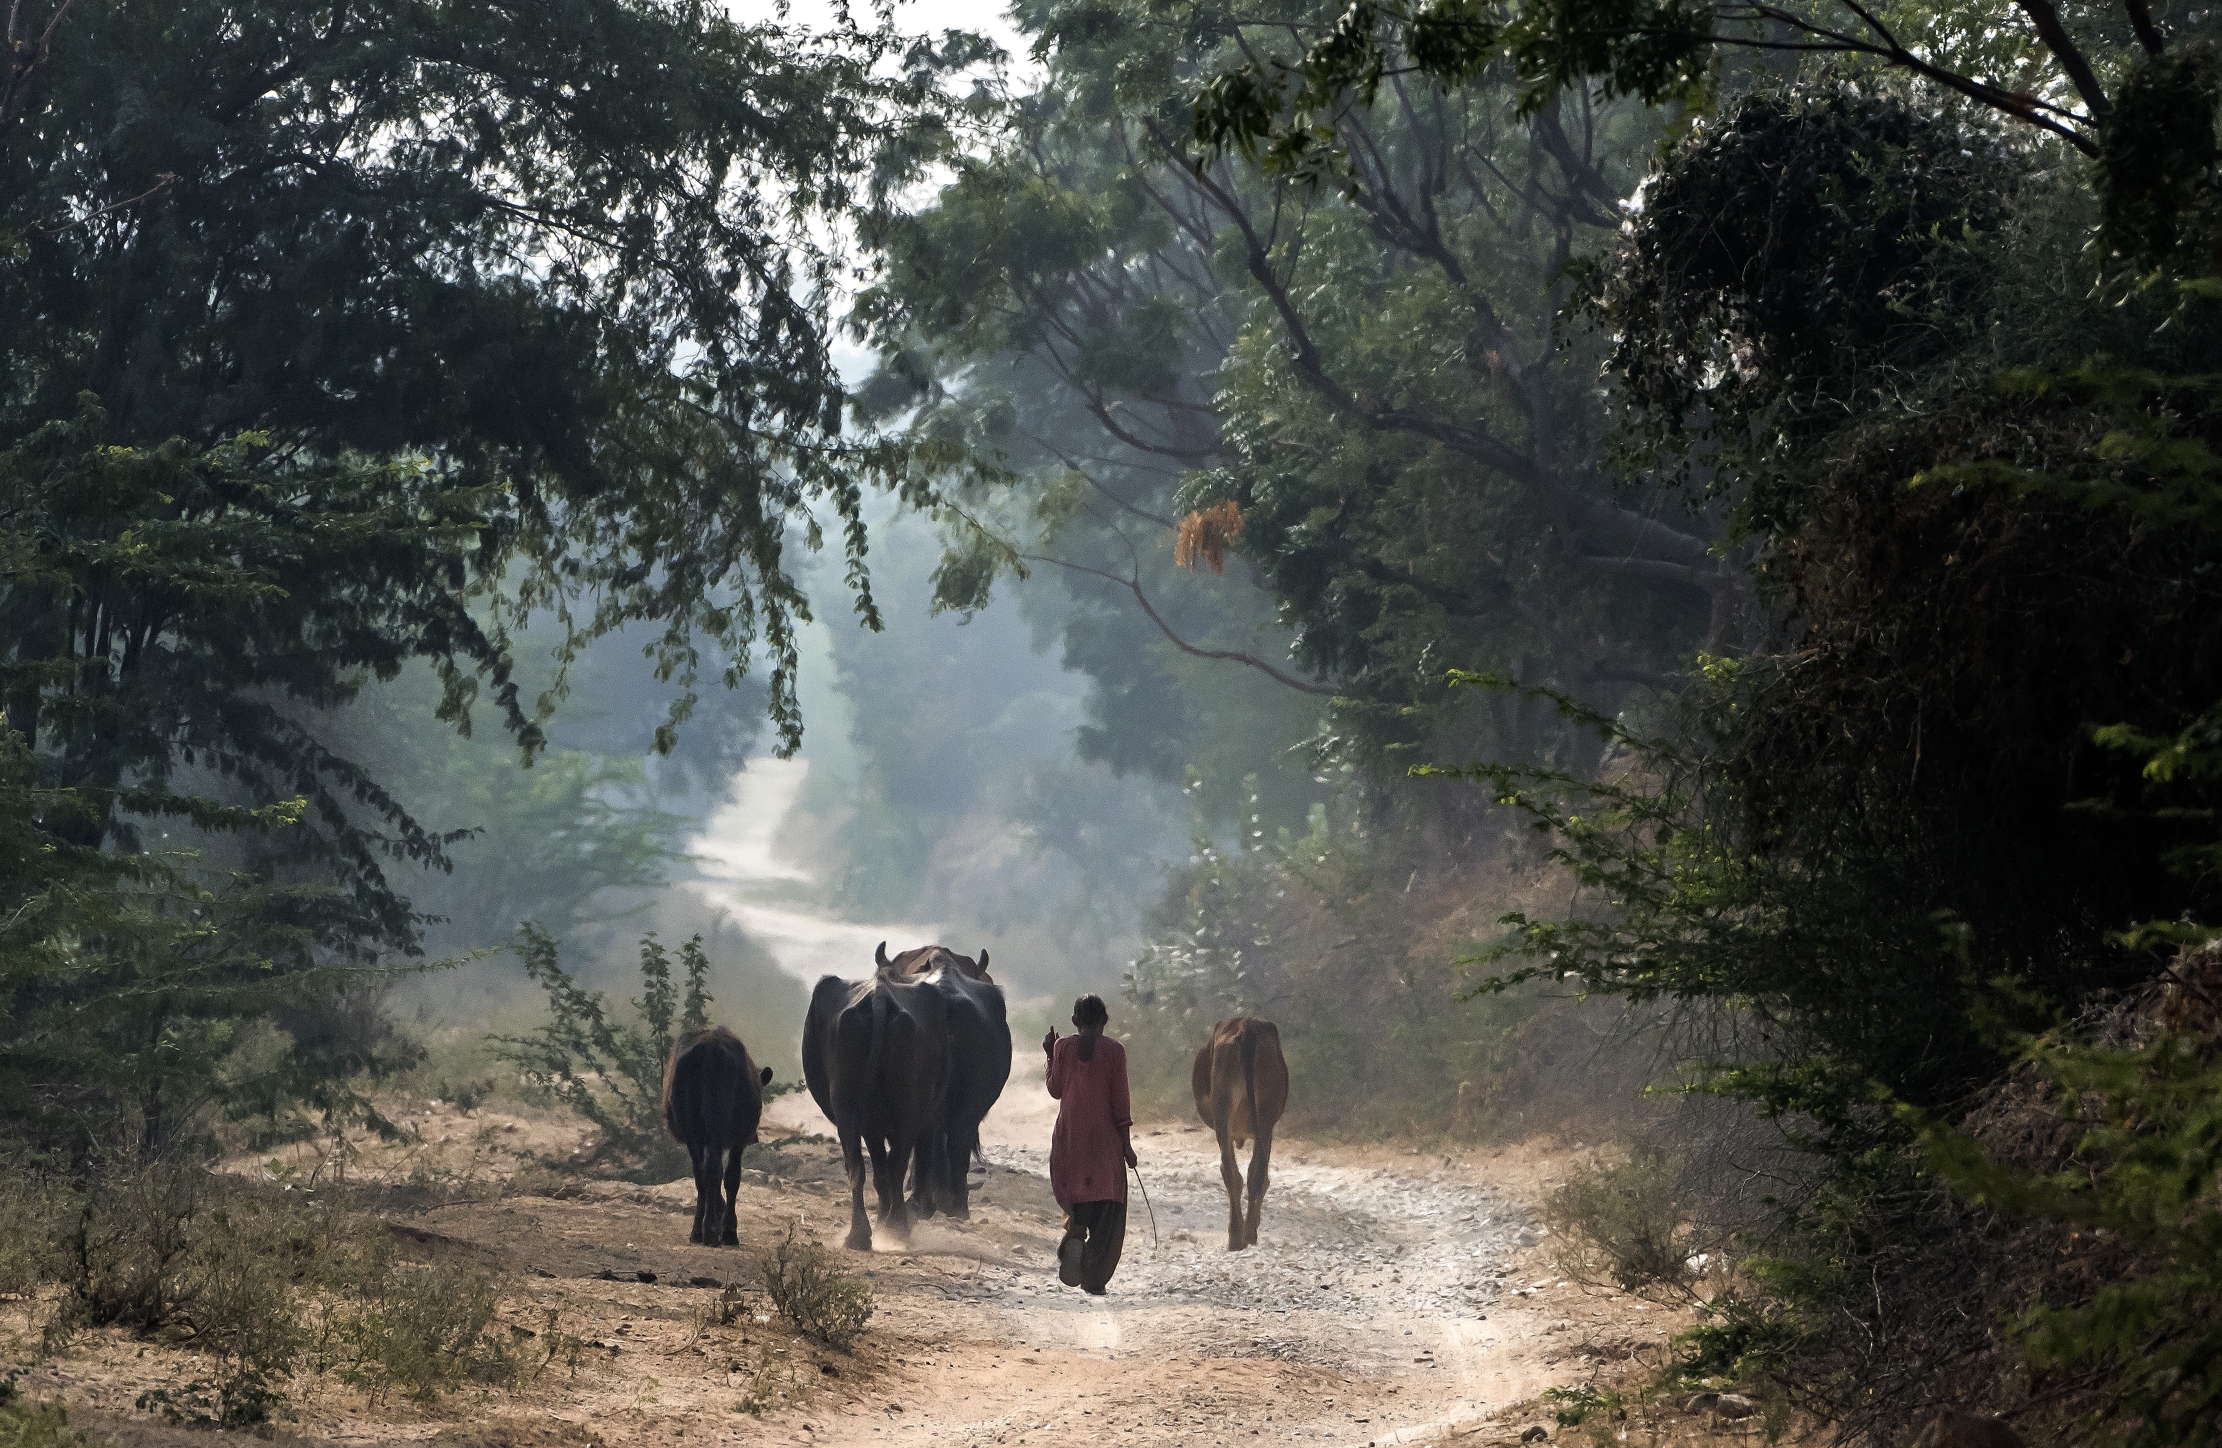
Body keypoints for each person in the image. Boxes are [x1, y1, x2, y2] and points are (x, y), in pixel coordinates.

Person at [1043, 993, 1135, 1295]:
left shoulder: (1062, 1047)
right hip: (1104, 1141)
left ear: (1074, 1021)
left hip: (1069, 1138)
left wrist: (1050, 1056)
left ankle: (1076, 1230)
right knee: (1108, 1206)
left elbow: (1055, 1090)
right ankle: (1094, 1278)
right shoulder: (1115, 1051)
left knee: (1078, 1193)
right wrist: (1126, 1146)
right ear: (1105, 1021)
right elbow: (1120, 1101)